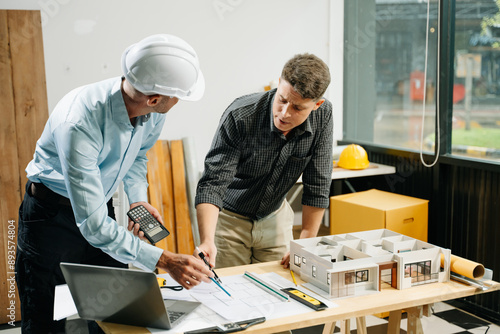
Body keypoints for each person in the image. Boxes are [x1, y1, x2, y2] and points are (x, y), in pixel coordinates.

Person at [15, 34, 213, 333]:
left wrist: (137, 198)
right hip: (50, 215)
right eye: (178, 97)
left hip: (97, 206)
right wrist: (166, 260)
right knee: (46, 313)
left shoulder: (150, 108)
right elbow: (93, 226)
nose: (178, 103)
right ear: (155, 98)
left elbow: (137, 156)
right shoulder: (79, 122)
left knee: (116, 308)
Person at [195, 53, 333, 269]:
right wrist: (207, 241)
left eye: (297, 108)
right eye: (282, 100)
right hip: (229, 219)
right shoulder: (240, 116)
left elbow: (318, 183)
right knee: (230, 291)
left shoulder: (323, 115)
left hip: (275, 216)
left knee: (279, 289)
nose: (285, 113)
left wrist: (305, 243)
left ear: (317, 105)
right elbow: (213, 183)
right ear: (278, 84)